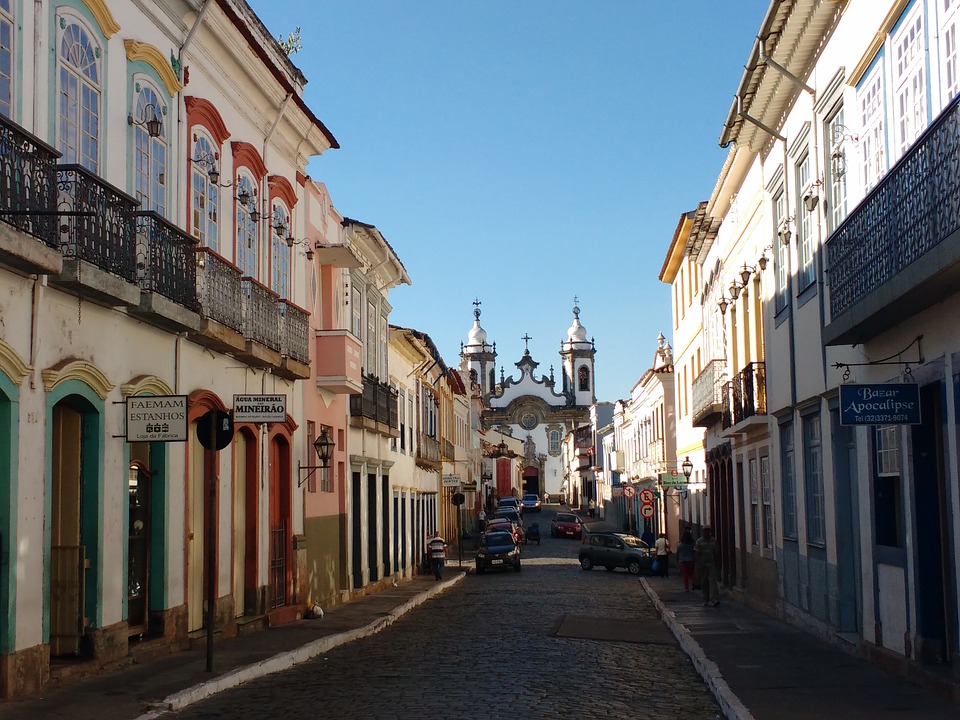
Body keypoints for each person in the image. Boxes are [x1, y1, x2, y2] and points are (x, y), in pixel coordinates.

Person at [695, 526, 720, 606]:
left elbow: (716, 552)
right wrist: (698, 564)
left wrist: (717, 563)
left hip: (711, 564)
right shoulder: (699, 541)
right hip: (702, 565)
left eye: (708, 531)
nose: (706, 532)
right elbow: (697, 553)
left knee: (712, 582)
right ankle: (706, 599)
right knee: (704, 583)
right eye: (705, 531)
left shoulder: (714, 541)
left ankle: (714, 599)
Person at [677, 526, 696, 591]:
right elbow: (695, 551)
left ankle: (686, 587)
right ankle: (693, 583)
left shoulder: (680, 545)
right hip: (691, 559)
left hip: (683, 560)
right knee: (691, 573)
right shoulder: (692, 544)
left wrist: (677, 560)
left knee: (685, 574)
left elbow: (678, 552)